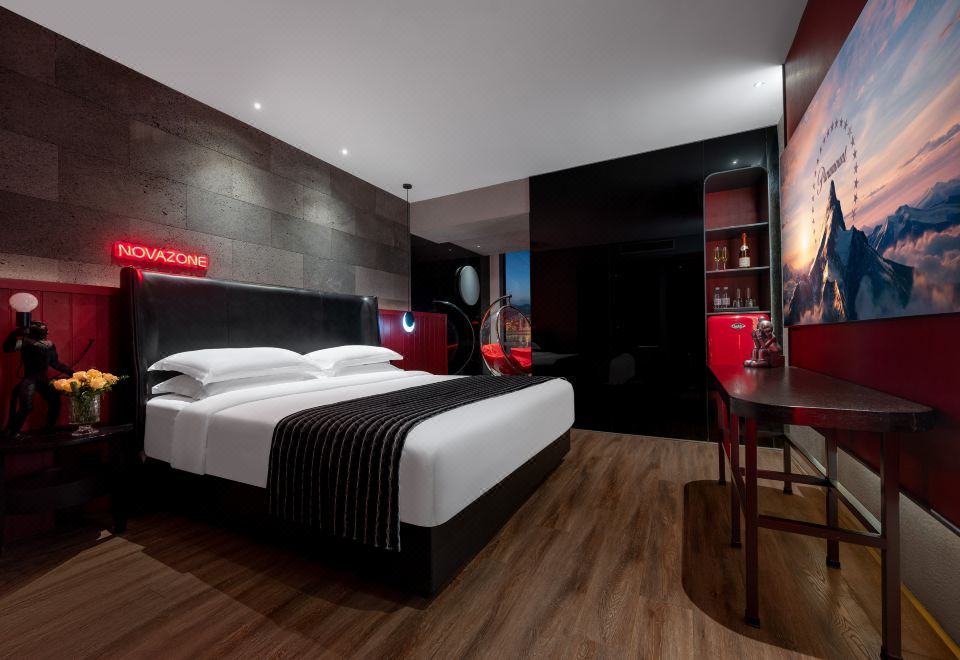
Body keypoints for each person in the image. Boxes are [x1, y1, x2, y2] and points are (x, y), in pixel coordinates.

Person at [3, 321, 73, 437]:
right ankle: (13, 433)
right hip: (30, 379)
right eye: (43, 330)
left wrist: (72, 372)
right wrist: (14, 334)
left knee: (55, 402)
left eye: (45, 330)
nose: (46, 332)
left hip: (42, 380)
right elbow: (7, 348)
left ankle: (49, 430)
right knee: (26, 407)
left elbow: (55, 363)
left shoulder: (49, 345)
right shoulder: (25, 343)